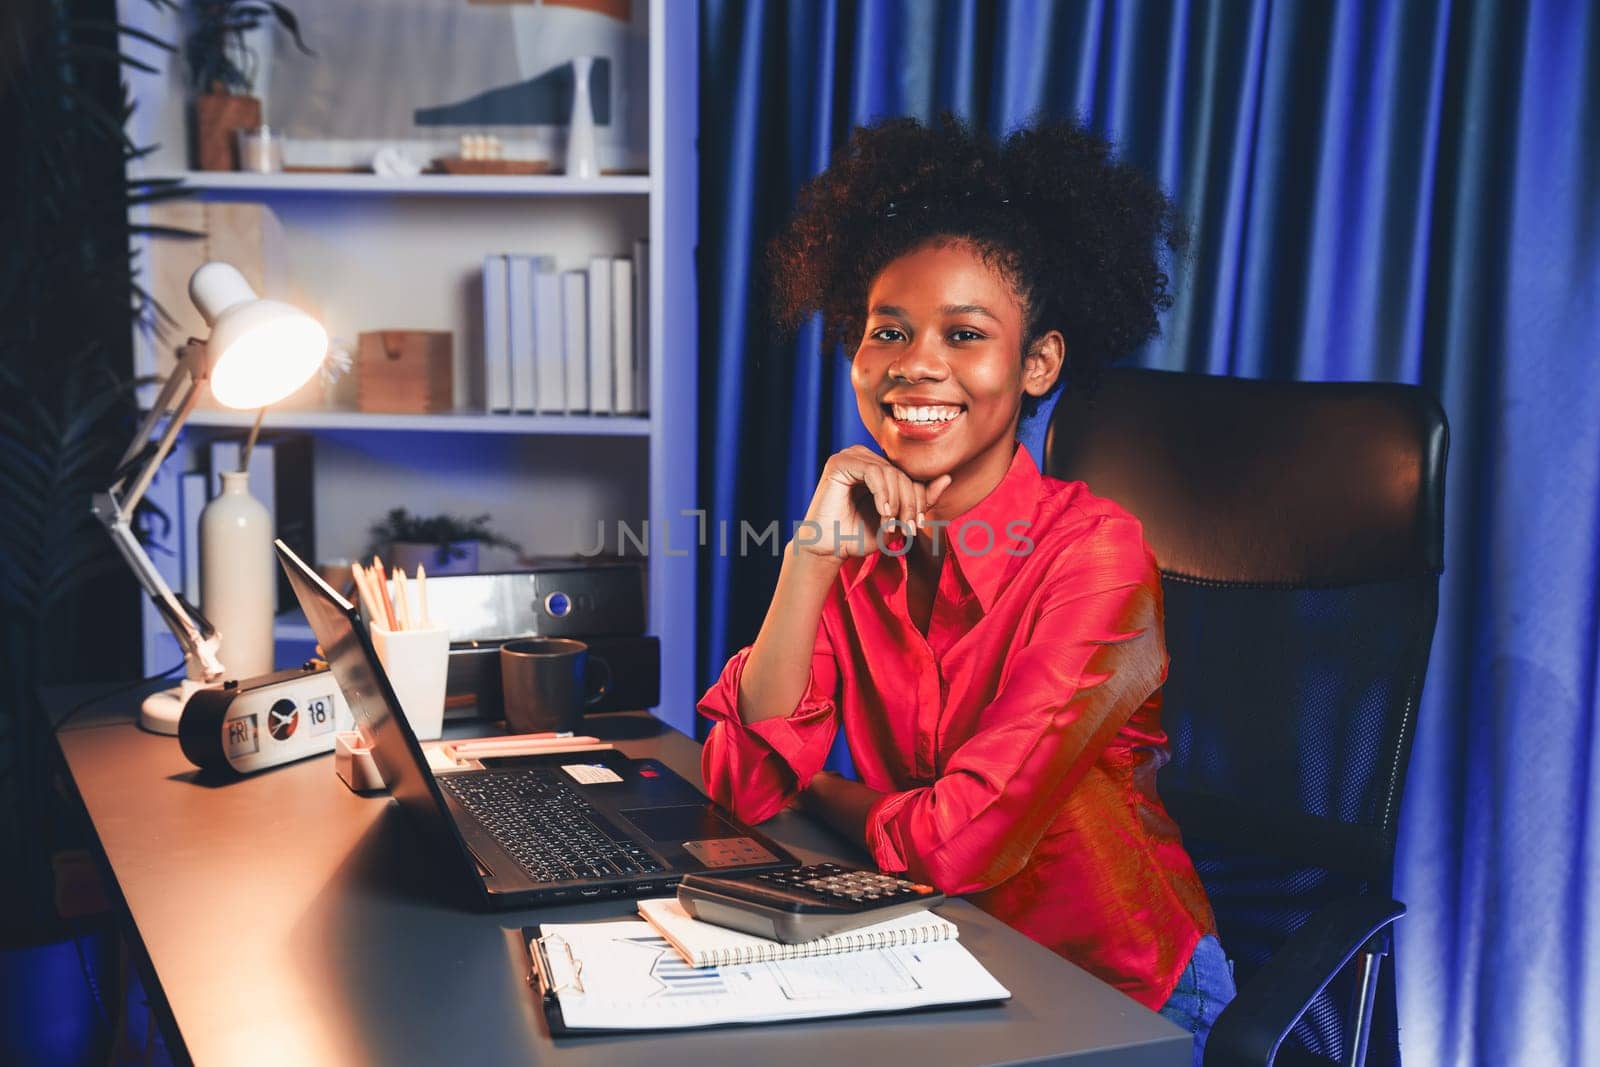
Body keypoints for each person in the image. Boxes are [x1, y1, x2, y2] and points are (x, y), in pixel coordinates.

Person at [697, 114, 1235, 1063]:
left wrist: (824, 789)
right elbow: (741, 782)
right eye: (888, 331)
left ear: (1038, 365)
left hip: (1112, 993)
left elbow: (958, 842)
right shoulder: (861, 536)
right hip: (934, 957)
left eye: (965, 334)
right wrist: (810, 561)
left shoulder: (1096, 558)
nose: (916, 364)